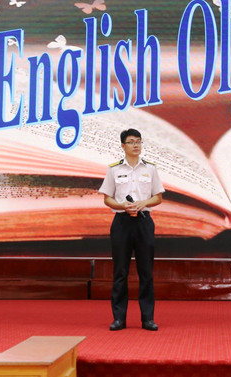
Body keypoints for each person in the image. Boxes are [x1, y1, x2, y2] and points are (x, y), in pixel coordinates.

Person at [99, 128, 165, 331]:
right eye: (131, 142)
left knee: (146, 271)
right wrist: (122, 206)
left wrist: (143, 203)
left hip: (144, 221)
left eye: (138, 141)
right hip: (122, 222)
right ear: (123, 146)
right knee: (120, 271)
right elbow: (107, 198)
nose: (136, 145)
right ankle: (119, 318)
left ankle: (148, 319)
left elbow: (158, 197)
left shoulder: (150, 169)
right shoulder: (114, 169)